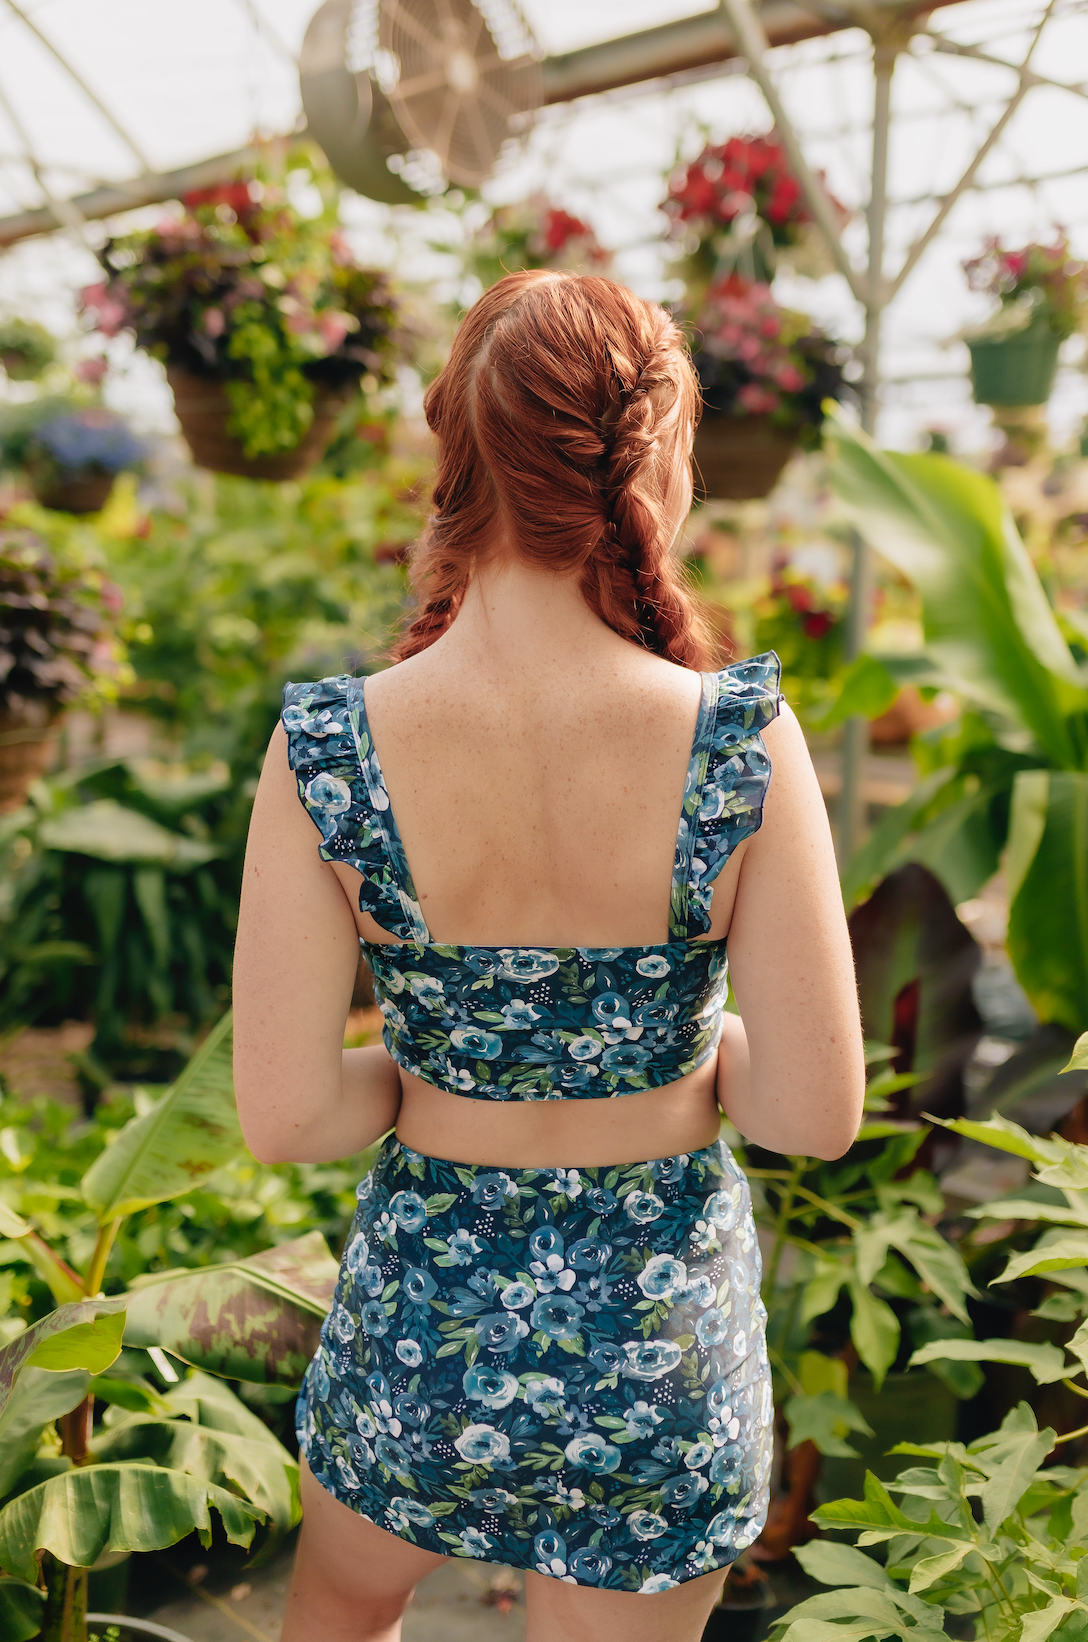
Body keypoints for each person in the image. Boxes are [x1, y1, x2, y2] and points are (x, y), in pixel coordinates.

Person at [233, 269, 864, 1642]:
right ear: (655, 461)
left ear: (455, 455)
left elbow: (285, 1116)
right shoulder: (741, 742)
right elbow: (812, 1112)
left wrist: (436, 1068)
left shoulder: (329, 746)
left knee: (338, 1619)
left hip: (422, 1327)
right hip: (661, 1348)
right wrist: (682, 1053)